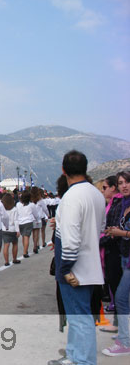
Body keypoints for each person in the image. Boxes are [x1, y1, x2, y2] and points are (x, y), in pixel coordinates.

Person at [48, 150, 106, 365]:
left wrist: (64, 271)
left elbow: (71, 241)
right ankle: (74, 355)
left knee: (80, 318)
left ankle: (83, 360)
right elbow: (99, 228)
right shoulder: (95, 194)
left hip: (75, 269)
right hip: (91, 264)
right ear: (85, 168)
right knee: (79, 316)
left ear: (63, 171)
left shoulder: (71, 198)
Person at [102, 171, 130, 356]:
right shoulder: (124, 205)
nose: (124, 185)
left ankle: (125, 342)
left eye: (127, 182)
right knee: (124, 298)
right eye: (121, 182)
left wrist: (122, 234)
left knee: (120, 298)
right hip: (124, 255)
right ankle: (124, 335)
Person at [98, 175, 123, 334]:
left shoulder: (117, 205)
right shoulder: (112, 204)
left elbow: (112, 230)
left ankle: (120, 325)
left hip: (115, 251)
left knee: (118, 287)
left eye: (105, 187)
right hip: (112, 249)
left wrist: (99, 240)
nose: (103, 190)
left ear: (113, 188)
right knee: (116, 287)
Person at [16, 190, 38, 258]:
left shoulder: (18, 204)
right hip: (28, 221)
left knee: (23, 236)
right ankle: (25, 252)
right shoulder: (31, 205)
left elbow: (17, 213)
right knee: (26, 237)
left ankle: (25, 249)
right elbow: (36, 214)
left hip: (20, 222)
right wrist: (37, 220)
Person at [1, 193, 20, 266]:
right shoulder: (14, 209)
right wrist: (17, 230)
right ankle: (14, 259)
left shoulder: (2, 209)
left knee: (6, 245)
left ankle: (6, 261)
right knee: (15, 244)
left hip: (4, 229)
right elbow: (16, 220)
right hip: (12, 229)